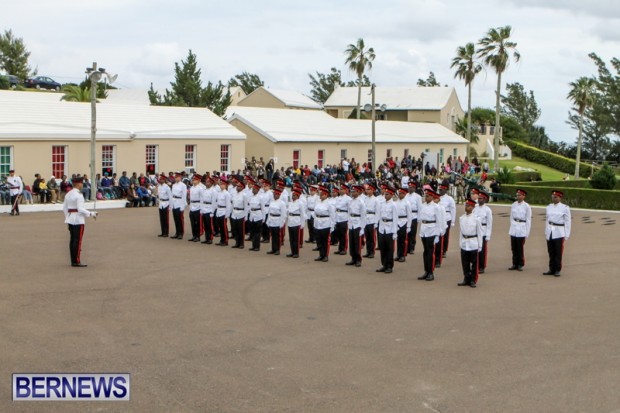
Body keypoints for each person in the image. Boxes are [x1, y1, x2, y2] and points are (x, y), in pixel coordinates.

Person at [63, 176, 97, 267]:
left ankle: (73, 259)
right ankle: (76, 260)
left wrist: (67, 217)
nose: (82, 185)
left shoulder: (68, 194)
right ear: (78, 184)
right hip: (78, 220)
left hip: (70, 218)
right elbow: (80, 209)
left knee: (72, 240)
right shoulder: (79, 195)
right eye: (81, 183)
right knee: (78, 241)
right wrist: (91, 213)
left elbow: (65, 208)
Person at [544, 190, 571, 277]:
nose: (553, 198)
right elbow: (547, 220)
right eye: (552, 197)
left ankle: (557, 269)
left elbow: (568, 222)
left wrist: (566, 234)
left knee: (558, 252)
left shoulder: (565, 208)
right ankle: (551, 269)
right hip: (550, 231)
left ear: (560, 198)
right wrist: (546, 231)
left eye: (555, 197)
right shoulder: (549, 207)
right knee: (551, 251)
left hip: (559, 232)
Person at [418, 189, 443, 281]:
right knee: (425, 252)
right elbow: (421, 219)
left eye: (428, 196)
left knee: (430, 252)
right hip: (424, 229)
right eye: (425, 196)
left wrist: (437, 235)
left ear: (432, 197)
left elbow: (439, 221)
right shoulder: (422, 206)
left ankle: (431, 272)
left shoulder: (436, 207)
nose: (426, 197)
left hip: (432, 230)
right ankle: (426, 271)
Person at [458, 199, 483, 288]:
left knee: (474, 263)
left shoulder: (476, 219)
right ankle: (466, 278)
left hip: (473, 242)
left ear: (472, 207)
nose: (466, 207)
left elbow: (480, 233)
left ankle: (473, 280)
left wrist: (480, 245)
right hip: (465, 242)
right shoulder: (461, 218)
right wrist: (460, 242)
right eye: (466, 205)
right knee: (465, 263)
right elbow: (461, 232)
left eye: (468, 206)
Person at [376, 187, 399, 274]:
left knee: (390, 248)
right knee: (383, 247)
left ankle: (389, 266)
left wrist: (395, 232)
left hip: (390, 228)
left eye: (387, 194)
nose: (385, 196)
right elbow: (380, 216)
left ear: (392, 195)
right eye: (385, 194)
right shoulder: (382, 204)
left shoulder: (393, 205)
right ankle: (384, 264)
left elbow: (395, 219)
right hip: (382, 227)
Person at [508, 189, 532, 271]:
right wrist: (512, 226)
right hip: (514, 226)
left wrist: (527, 232)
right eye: (517, 195)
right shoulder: (514, 205)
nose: (518, 196)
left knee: (520, 247)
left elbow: (528, 220)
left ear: (523, 196)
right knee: (513, 247)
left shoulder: (526, 206)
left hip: (522, 227)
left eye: (519, 195)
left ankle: (520, 264)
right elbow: (511, 217)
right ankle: (514, 263)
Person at [312, 186, 335, 262]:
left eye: (322, 194)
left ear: (326, 195)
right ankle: (321, 254)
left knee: (325, 241)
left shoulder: (329, 204)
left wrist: (332, 227)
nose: (320, 196)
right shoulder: (318, 202)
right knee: (319, 240)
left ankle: (325, 255)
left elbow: (332, 216)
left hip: (325, 224)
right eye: (320, 194)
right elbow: (315, 213)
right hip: (318, 223)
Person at [346, 185, 366, 267]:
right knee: (352, 242)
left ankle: (358, 259)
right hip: (351, 223)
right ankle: (353, 258)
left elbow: (363, 216)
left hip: (358, 223)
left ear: (358, 192)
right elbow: (348, 212)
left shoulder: (361, 202)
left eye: (354, 192)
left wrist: (362, 228)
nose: (352, 193)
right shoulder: (350, 201)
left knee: (357, 243)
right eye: (352, 192)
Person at [474, 192, 493, 274]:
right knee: (475, 249)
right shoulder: (475, 208)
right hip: (476, 230)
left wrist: (488, 235)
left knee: (482, 250)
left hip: (483, 230)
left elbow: (489, 224)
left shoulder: (487, 210)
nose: (479, 200)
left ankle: (482, 266)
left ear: (485, 199)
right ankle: (476, 265)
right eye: (478, 198)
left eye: (481, 198)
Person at [266, 188, 287, 255]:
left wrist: (282, 222)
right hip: (272, 219)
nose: (275, 195)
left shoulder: (282, 203)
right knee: (272, 235)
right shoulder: (272, 202)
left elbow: (283, 214)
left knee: (277, 236)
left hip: (277, 220)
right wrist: (268, 220)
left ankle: (277, 249)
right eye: (274, 194)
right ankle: (273, 248)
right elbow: (269, 212)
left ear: (279, 195)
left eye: (276, 194)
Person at [286, 188, 306, 258]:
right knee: (291, 239)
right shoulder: (290, 203)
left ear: (298, 196)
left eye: (294, 195)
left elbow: (302, 215)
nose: (293, 197)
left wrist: (302, 224)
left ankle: (296, 253)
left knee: (296, 239)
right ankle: (292, 252)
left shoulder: (300, 203)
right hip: (290, 222)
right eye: (292, 195)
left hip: (296, 222)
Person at [394, 187, 412, 263]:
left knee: (403, 240)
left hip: (404, 221)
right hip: (397, 221)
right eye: (399, 193)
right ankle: (398, 254)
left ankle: (403, 255)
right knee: (398, 240)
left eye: (401, 193)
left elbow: (409, 215)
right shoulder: (396, 202)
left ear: (404, 194)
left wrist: (408, 226)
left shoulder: (407, 203)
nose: (400, 195)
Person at [230, 180, 249, 248]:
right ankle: (237, 242)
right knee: (235, 229)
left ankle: (241, 243)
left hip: (241, 213)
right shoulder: (235, 194)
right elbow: (232, 204)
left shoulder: (244, 195)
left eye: (239, 186)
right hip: (234, 213)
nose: (237, 187)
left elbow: (246, 207)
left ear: (242, 188)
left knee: (241, 230)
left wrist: (245, 216)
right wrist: (231, 212)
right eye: (237, 186)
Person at [363, 183, 380, 259]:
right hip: (366, 218)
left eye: (369, 189)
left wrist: (376, 222)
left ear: (372, 190)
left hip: (372, 218)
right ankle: (368, 251)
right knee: (367, 237)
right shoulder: (365, 199)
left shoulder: (376, 200)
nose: (367, 191)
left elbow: (377, 212)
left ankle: (372, 252)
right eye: (367, 189)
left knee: (372, 237)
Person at [247, 182, 265, 251]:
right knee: (253, 232)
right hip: (252, 216)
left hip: (258, 216)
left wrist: (263, 218)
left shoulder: (261, 197)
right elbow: (250, 207)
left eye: (254, 189)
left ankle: (257, 246)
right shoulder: (251, 197)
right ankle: (253, 245)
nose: (253, 190)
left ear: (257, 190)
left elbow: (263, 209)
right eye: (252, 189)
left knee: (257, 233)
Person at [406, 181, 422, 255]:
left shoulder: (418, 197)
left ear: (414, 188)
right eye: (409, 187)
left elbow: (419, 208)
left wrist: (419, 218)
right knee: (407, 233)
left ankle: (412, 247)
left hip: (414, 215)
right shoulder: (406, 196)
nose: (410, 188)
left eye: (411, 187)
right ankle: (407, 248)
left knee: (413, 233)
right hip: (407, 216)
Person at [170, 172, 187, 240]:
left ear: (180, 177)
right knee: (176, 219)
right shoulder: (173, 185)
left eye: (177, 177)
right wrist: (171, 204)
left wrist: (183, 205)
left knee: (180, 219)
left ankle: (181, 233)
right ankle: (177, 232)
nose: (176, 178)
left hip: (180, 202)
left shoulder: (183, 185)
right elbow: (172, 195)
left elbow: (184, 196)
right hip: (174, 202)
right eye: (175, 177)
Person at [200, 176, 217, 244]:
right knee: (205, 225)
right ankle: (207, 238)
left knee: (209, 225)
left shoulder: (213, 191)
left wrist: (212, 211)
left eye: (208, 182)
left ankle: (210, 238)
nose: (206, 183)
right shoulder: (204, 190)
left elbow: (214, 202)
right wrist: (202, 209)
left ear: (211, 183)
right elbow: (202, 200)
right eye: (206, 182)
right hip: (204, 208)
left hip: (209, 209)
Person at [187, 174, 204, 242]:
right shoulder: (191, 188)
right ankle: (194, 235)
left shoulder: (200, 188)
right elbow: (190, 198)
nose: (193, 181)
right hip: (192, 206)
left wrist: (201, 208)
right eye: (193, 179)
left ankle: (198, 236)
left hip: (198, 206)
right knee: (192, 222)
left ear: (198, 180)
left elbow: (202, 199)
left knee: (198, 223)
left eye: (195, 180)